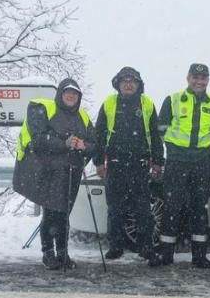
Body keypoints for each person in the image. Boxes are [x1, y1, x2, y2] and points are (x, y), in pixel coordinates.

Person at [12, 78, 97, 271]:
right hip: (49, 171)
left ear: (79, 97)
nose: (71, 96)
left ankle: (63, 254)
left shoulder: (83, 116)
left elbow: (95, 144)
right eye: (67, 92)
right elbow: (39, 140)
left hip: (72, 172)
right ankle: (48, 253)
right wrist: (64, 143)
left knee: (64, 214)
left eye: (74, 94)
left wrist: (84, 146)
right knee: (51, 213)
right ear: (60, 93)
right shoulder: (44, 108)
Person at [94, 66, 164, 266]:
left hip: (140, 165)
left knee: (143, 210)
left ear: (138, 84)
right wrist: (98, 162)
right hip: (115, 164)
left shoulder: (147, 104)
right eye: (124, 80)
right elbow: (99, 135)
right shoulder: (109, 103)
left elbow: (155, 135)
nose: (128, 84)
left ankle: (145, 247)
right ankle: (115, 246)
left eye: (132, 81)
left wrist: (158, 161)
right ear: (118, 84)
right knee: (115, 209)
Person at [158, 63, 210, 268]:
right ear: (188, 78)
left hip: (202, 162)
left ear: (208, 80)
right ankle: (166, 254)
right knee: (171, 206)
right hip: (178, 160)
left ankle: (199, 255)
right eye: (195, 77)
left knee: (199, 208)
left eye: (203, 78)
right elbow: (160, 128)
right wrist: (173, 148)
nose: (199, 81)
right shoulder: (173, 100)